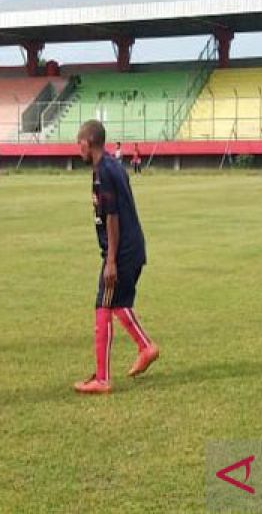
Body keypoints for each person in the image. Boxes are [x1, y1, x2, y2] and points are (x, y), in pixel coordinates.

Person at [73, 119, 159, 394]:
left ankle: (103, 379)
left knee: (103, 306)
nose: (78, 150)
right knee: (117, 303)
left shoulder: (104, 172)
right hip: (129, 249)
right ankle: (146, 348)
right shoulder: (110, 166)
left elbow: (113, 217)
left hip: (121, 253)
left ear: (87, 143)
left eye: (79, 144)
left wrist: (110, 261)